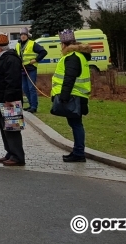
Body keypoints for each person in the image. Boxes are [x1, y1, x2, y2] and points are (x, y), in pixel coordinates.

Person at [51, 29, 92, 163]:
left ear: (64, 44)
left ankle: (79, 153)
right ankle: (77, 151)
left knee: (76, 124)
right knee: (75, 124)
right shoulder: (78, 56)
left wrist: (64, 97)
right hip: (78, 95)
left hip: (74, 96)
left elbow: (69, 78)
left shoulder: (72, 57)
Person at [0, 33, 25, 167]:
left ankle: (17, 156)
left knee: (12, 129)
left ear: (0, 48)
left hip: (9, 101)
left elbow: (12, 81)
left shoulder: (11, 59)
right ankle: (10, 152)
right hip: (1, 100)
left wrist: (9, 98)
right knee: (5, 128)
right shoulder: (2, 58)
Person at [15, 27, 47, 113]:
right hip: (22, 69)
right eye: (22, 35)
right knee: (25, 88)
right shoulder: (18, 45)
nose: (23, 36)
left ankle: (34, 106)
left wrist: (36, 60)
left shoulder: (32, 44)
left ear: (27, 36)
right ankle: (30, 104)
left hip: (31, 69)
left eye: (24, 35)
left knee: (31, 88)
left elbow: (43, 52)